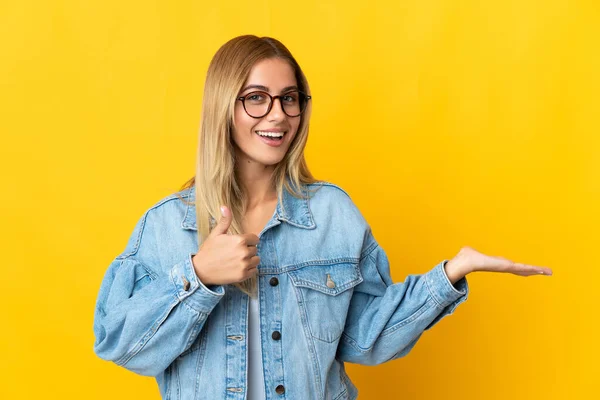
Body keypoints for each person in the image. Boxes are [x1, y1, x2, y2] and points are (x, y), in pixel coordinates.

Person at [93, 35, 553, 400]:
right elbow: (118, 343)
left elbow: (363, 341)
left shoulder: (332, 214)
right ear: (223, 105)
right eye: (257, 98)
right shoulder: (169, 224)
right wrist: (198, 276)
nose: (278, 114)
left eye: (289, 98)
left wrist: (450, 275)